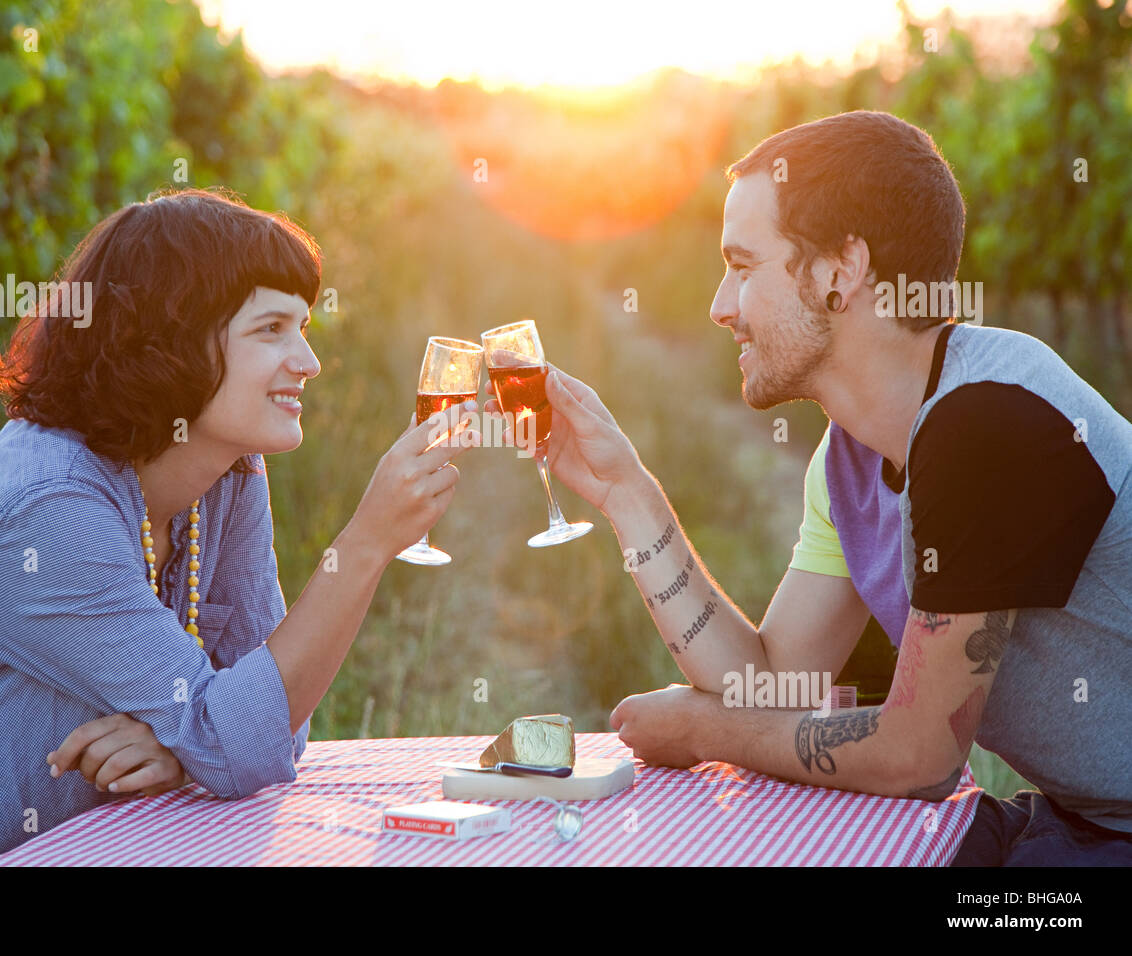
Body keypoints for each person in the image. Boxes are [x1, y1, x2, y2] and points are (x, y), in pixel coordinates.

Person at [484, 111, 1132, 865]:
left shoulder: (987, 418)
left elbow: (918, 756)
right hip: (1089, 827)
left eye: (743, 265)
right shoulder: (849, 460)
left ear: (839, 272)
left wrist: (702, 731)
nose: (721, 306)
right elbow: (771, 682)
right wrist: (626, 489)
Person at [0, 188, 478, 865]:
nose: (308, 362)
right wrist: (368, 541)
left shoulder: (227, 474)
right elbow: (238, 736)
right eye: (270, 330)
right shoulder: (46, 507)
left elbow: (273, 727)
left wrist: (182, 750)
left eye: (304, 328)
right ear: (173, 339)